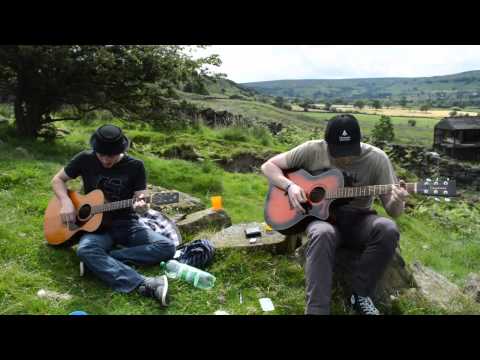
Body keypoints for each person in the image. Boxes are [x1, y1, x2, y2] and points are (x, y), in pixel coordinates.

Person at [261, 114, 409, 315]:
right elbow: (268, 166)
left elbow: (393, 212)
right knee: (322, 234)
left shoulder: (377, 159)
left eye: (350, 151)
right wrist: (291, 186)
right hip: (322, 220)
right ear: (326, 143)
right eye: (338, 152)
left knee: (388, 229)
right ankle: (317, 310)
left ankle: (359, 295)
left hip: (359, 220)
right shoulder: (312, 150)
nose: (346, 158)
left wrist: (399, 200)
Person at [51, 124, 176, 307]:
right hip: (96, 229)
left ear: (121, 150)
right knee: (85, 250)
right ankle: (145, 283)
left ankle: (108, 259)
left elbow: (140, 198)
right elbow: (57, 180)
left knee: (167, 247)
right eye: (101, 154)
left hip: (126, 224)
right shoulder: (85, 158)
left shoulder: (136, 166)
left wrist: (141, 206)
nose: (106, 160)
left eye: (111, 155)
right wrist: (66, 202)